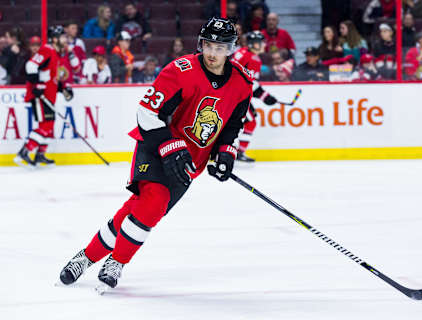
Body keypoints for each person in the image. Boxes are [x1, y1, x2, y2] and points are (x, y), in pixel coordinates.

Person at [58, 17, 254, 292]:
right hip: (156, 146)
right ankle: (117, 261)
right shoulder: (181, 70)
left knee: (139, 210)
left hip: (190, 161)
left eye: (220, 48)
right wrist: (170, 147)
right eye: (208, 45)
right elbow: (147, 113)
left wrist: (226, 154)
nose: (212, 53)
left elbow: (233, 125)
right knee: (154, 202)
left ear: (230, 50)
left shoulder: (242, 83)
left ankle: (85, 257)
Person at [14, 26, 74, 167]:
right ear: (54, 38)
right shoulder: (47, 50)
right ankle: (24, 152)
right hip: (41, 96)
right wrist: (37, 86)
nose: (65, 40)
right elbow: (30, 65)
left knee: (50, 126)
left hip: (49, 95)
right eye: (62, 37)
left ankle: (40, 155)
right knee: (45, 125)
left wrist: (62, 88)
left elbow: (50, 76)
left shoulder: (56, 53)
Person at [231, 31, 279, 162]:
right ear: (254, 44)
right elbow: (248, 83)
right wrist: (265, 97)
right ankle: (237, 152)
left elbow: (249, 82)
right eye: (261, 42)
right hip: (235, 97)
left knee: (248, 120)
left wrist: (264, 96)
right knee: (250, 121)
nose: (264, 45)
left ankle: (234, 151)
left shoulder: (244, 54)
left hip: (235, 95)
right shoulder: (252, 58)